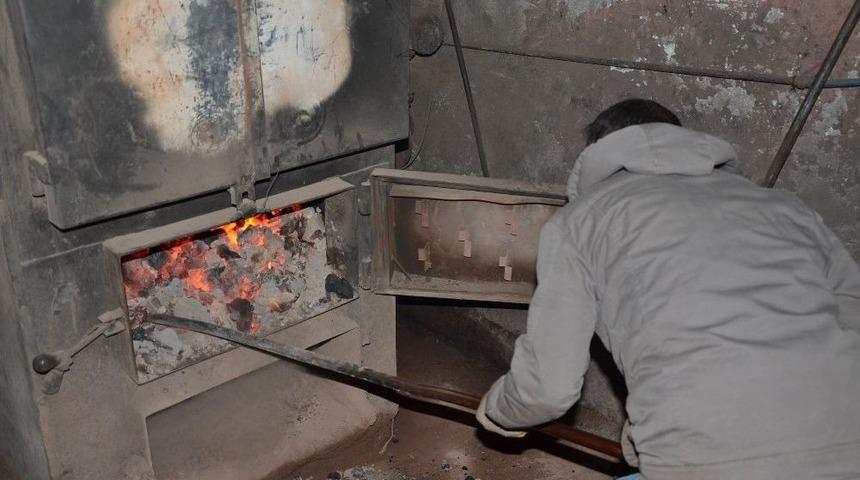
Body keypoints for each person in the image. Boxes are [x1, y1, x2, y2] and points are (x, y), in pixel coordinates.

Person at [475, 99, 860, 479]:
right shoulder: (786, 208)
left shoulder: (580, 223)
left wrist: (499, 412)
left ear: (597, 152)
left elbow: (547, 388)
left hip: (712, 458)